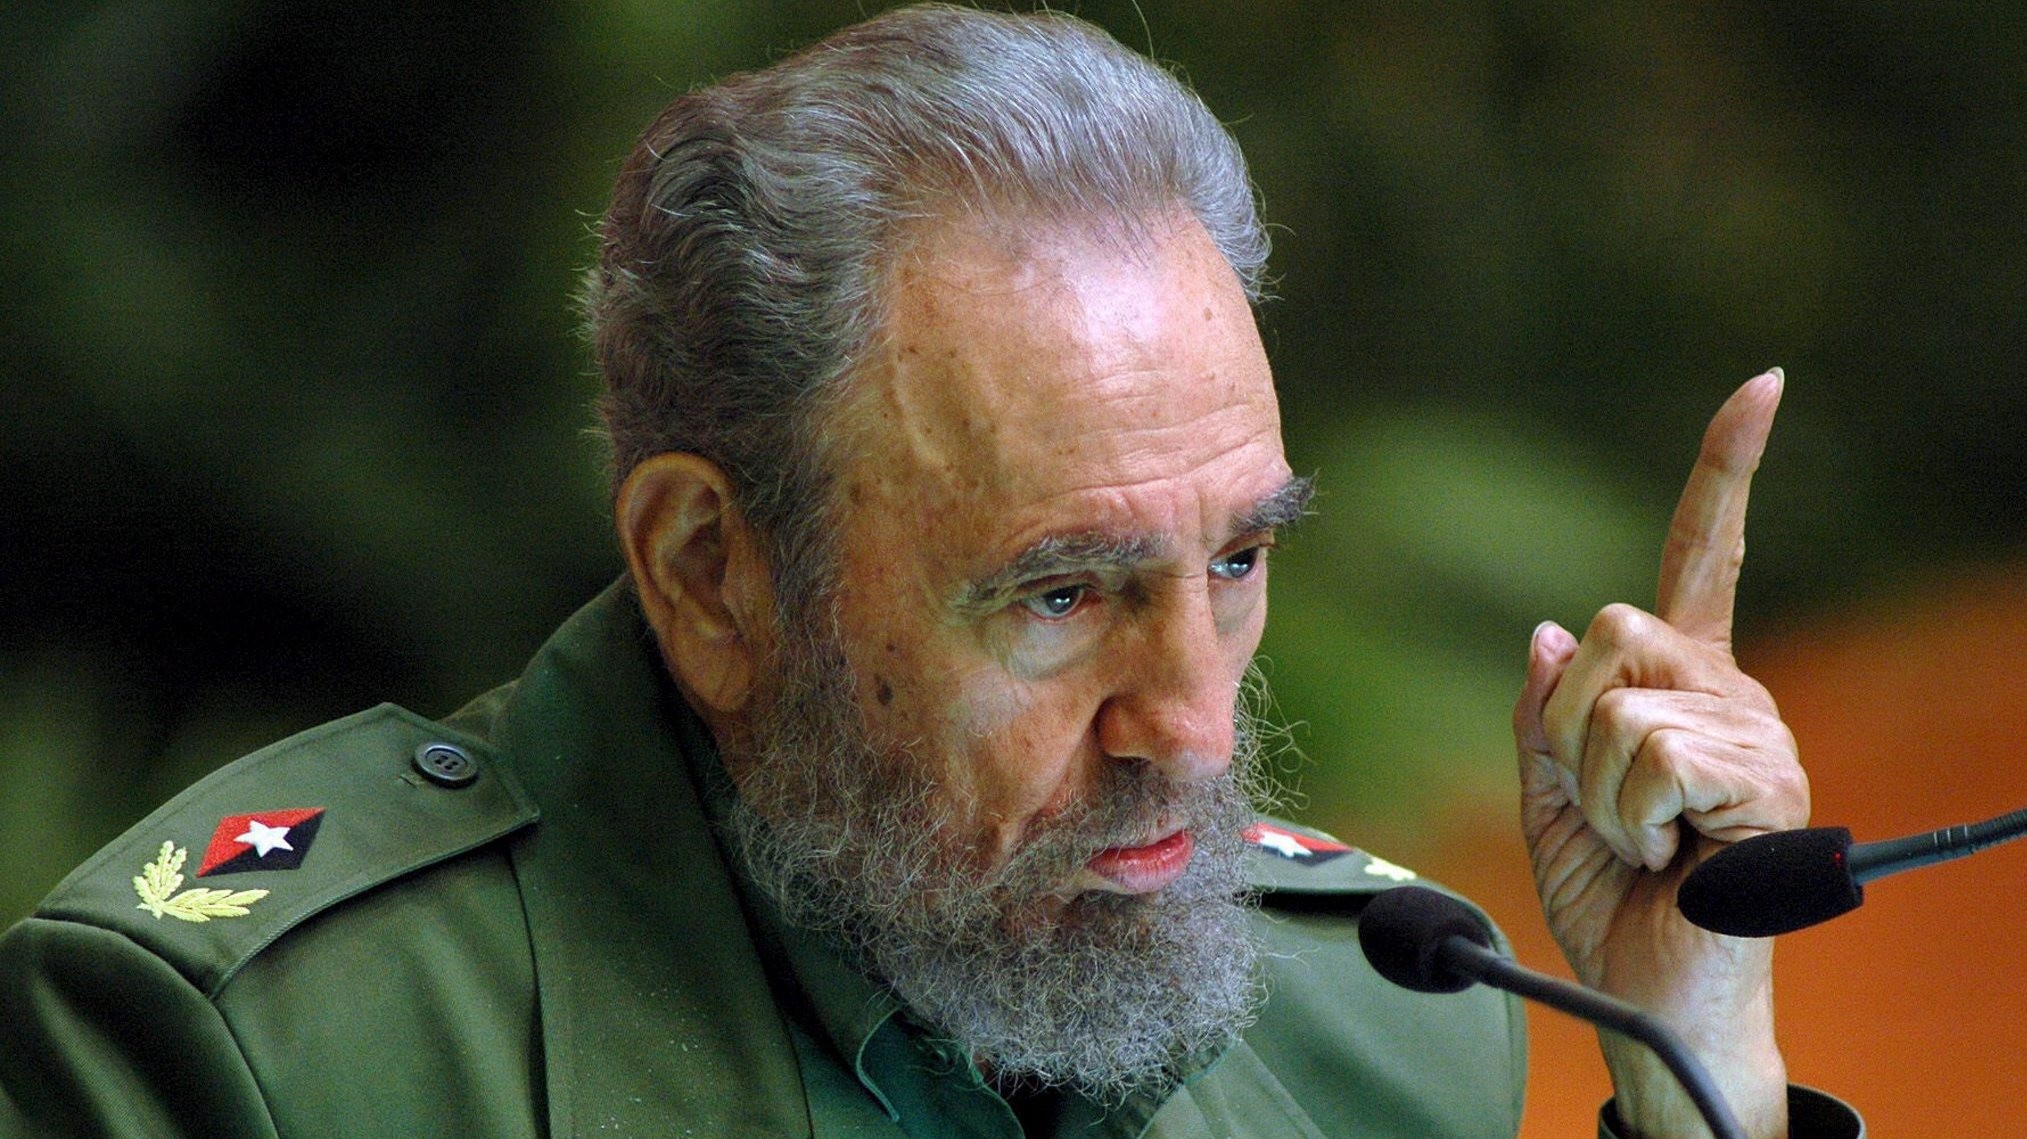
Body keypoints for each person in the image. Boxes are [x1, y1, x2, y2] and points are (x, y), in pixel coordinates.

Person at [0, 6, 1860, 1137]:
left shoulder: (1390, 1034)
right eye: (1062, 595)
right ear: (711, 575)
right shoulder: (258, 1062)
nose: (1195, 731)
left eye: (1235, 560)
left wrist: (1697, 1062)